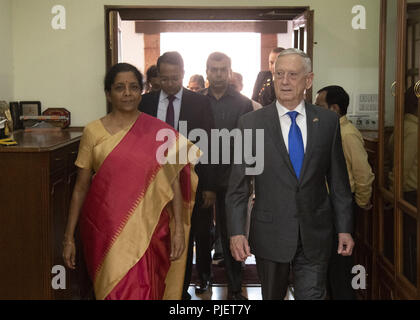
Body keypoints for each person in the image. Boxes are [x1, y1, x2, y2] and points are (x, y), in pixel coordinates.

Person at [62, 63, 200, 300]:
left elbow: (174, 184)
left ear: (142, 91)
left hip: (150, 230)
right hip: (104, 232)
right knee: (112, 290)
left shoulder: (160, 132)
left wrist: (178, 230)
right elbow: (81, 188)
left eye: (133, 87)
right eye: (119, 88)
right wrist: (68, 237)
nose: (127, 93)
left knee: (148, 290)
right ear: (108, 93)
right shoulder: (93, 132)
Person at [226, 48, 355, 300]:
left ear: (308, 80)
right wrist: (236, 231)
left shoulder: (327, 122)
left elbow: (338, 182)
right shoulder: (251, 123)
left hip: (315, 233)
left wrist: (344, 228)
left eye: (293, 75)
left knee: (313, 295)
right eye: (279, 74)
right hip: (270, 233)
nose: (284, 81)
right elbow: (238, 186)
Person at [139, 51, 217, 300]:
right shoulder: (146, 102)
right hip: (154, 181)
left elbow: (210, 145)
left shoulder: (200, 102)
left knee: (187, 233)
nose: (170, 84)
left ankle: (180, 292)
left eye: (174, 78)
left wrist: (209, 186)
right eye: (164, 78)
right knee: (156, 233)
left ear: (183, 74)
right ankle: (155, 285)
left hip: (190, 180)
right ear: (157, 77)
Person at [200, 52, 253, 300]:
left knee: (232, 232)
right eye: (214, 69)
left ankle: (234, 288)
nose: (218, 74)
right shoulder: (197, 101)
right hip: (202, 178)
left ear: (230, 71)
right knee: (200, 233)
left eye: (223, 69)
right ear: (207, 71)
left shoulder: (242, 102)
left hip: (233, 179)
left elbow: (247, 143)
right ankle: (202, 280)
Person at [315, 85, 374, 300]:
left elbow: (363, 174)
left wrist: (359, 202)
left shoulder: (347, 134)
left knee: (340, 268)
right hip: (327, 207)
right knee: (329, 265)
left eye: (319, 106)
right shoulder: (329, 131)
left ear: (335, 109)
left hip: (341, 207)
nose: (315, 110)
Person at [388, 86, 418, 206]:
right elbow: (401, 168)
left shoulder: (404, 125)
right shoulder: (414, 131)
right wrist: (393, 195)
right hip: (411, 194)